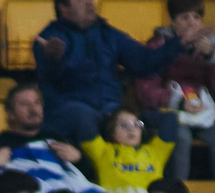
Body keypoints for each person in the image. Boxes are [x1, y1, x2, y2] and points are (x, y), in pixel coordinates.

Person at [33, 0, 181, 144]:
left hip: (111, 109)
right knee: (85, 117)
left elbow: (144, 63)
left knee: (167, 120)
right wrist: (53, 59)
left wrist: (180, 42)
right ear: (63, 7)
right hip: (68, 110)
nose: (89, 3)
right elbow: (48, 76)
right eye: (80, 0)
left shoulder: (109, 34)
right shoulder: (49, 39)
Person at [136, 0, 215, 181]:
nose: (192, 22)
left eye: (196, 17)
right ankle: (176, 190)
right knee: (180, 137)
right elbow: (147, 89)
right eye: (184, 17)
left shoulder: (212, 46)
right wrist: (179, 102)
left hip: (203, 113)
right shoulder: (158, 44)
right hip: (169, 111)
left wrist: (212, 57)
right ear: (172, 21)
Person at [0, 82, 93, 193]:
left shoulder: (55, 140)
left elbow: (87, 180)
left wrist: (79, 160)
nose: (33, 109)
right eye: (24, 104)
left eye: (37, 103)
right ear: (11, 114)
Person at [80, 106, 177, 193]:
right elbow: (80, 114)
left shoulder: (156, 151)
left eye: (136, 124)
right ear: (112, 131)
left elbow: (170, 118)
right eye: (124, 125)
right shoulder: (102, 151)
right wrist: (105, 118)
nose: (131, 129)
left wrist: (141, 116)